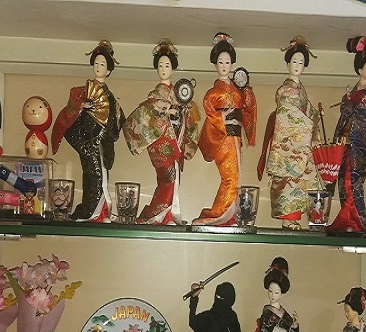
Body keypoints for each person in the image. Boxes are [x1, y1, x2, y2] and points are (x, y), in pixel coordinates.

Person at [123, 38, 200, 225]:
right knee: (169, 177)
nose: (163, 69)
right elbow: (149, 111)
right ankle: (160, 215)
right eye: (160, 65)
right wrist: (166, 110)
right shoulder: (155, 95)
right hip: (163, 141)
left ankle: (168, 214)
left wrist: (186, 111)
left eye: (167, 65)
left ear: (173, 68)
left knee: (175, 177)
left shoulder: (180, 92)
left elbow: (190, 116)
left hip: (177, 137)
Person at [52, 40, 126, 222]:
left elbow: (117, 118)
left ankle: (103, 211)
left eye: (103, 64)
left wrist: (115, 117)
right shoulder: (84, 92)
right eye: (96, 63)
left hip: (102, 139)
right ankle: (91, 210)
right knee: (92, 173)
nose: (98, 67)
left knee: (103, 173)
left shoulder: (109, 96)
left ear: (108, 71)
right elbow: (72, 107)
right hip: (88, 138)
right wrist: (81, 105)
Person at [192, 32, 257, 226]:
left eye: (227, 62)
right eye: (220, 62)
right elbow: (209, 110)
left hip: (235, 136)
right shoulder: (213, 93)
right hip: (223, 137)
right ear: (215, 64)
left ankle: (229, 214)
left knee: (235, 176)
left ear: (232, 64)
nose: (224, 66)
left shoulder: (237, 89)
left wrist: (246, 91)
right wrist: (222, 118)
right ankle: (220, 214)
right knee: (230, 177)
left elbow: (247, 106)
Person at [258, 36, 322, 231]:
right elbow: (288, 115)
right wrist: (308, 123)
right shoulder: (285, 90)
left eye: (301, 62)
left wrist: (315, 118)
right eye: (294, 61)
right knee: (289, 182)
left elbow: (307, 112)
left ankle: (308, 218)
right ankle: (288, 219)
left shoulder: (301, 91)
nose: (297, 66)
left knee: (303, 181)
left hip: (301, 142)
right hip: (289, 142)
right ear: (287, 63)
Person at [329, 36, 366, 232]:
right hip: (346, 143)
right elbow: (343, 119)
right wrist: (337, 142)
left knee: (355, 180)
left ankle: (358, 217)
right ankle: (347, 216)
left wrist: (353, 103)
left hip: (359, 144)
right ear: (360, 69)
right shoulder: (351, 94)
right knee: (343, 181)